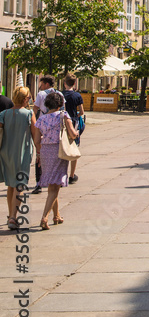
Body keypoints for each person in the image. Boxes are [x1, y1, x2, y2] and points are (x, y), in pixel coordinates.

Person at [34, 91, 78, 229]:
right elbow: (72, 133)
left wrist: (39, 154)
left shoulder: (41, 119)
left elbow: (36, 140)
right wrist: (76, 133)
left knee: (53, 185)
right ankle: (44, 217)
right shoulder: (63, 115)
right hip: (59, 150)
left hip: (46, 151)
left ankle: (56, 215)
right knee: (55, 186)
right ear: (60, 104)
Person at [0, 87, 38, 230]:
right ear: (24, 99)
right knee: (20, 185)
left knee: (11, 185)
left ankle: (11, 214)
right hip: (21, 153)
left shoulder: (3, 114)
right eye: (28, 97)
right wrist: (39, 153)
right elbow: (35, 136)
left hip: (6, 153)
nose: (30, 99)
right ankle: (13, 217)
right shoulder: (29, 114)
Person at [62, 76, 85, 183]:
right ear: (74, 84)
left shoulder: (60, 94)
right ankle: (71, 175)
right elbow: (82, 111)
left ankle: (62, 174)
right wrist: (76, 115)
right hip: (74, 123)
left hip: (62, 123)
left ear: (64, 83)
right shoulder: (77, 95)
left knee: (63, 148)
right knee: (74, 148)